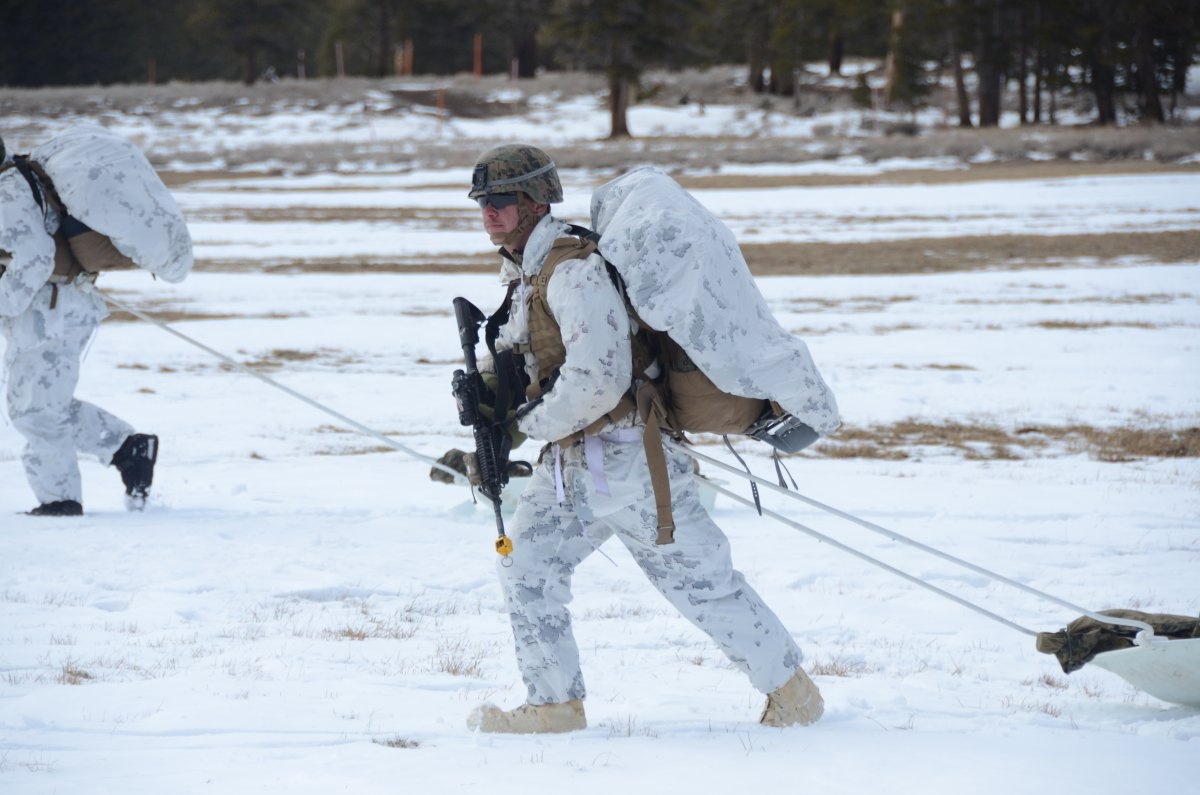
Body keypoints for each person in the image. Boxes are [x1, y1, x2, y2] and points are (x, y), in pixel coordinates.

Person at [462, 144, 824, 733]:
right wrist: (488, 412)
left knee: (701, 584)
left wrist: (526, 426)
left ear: (536, 202)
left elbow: (599, 376)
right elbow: (531, 362)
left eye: (502, 200)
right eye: (483, 202)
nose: (489, 212)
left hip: (628, 460)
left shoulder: (572, 269)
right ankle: (554, 704)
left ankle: (792, 692)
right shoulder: (525, 273)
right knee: (527, 564)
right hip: (577, 464)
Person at [0, 132, 165, 516]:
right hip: (57, 307)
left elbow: (35, 259)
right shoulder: (16, 181)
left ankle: (60, 502)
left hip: (49, 313)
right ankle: (128, 449)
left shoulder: (7, 192)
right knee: (42, 405)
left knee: (35, 412)